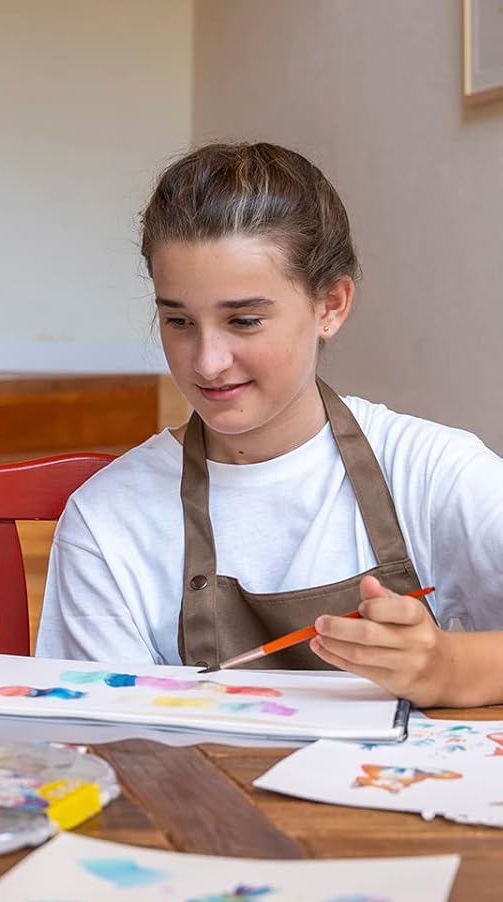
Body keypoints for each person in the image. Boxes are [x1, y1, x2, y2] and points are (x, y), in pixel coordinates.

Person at [36, 142, 503, 708]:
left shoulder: (434, 472)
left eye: (244, 320)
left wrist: (449, 669)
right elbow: (98, 730)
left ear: (331, 305)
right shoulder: (106, 520)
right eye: (178, 321)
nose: (207, 362)